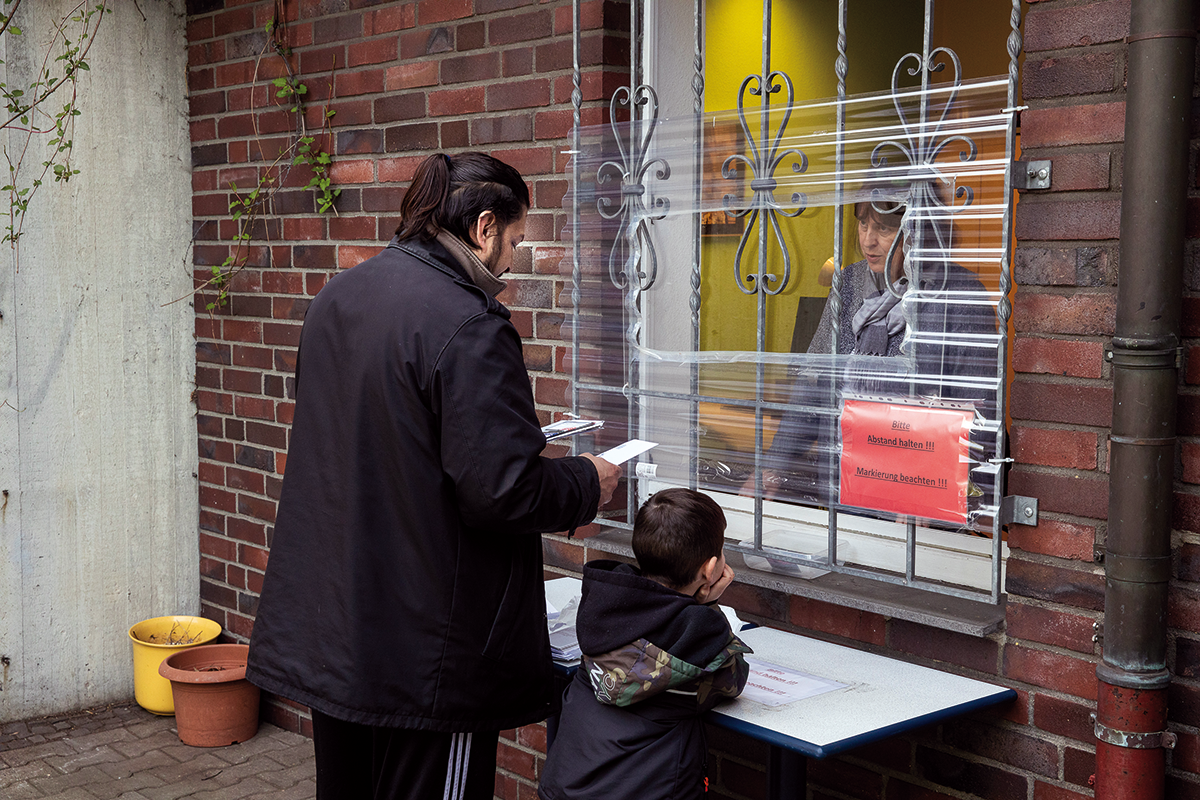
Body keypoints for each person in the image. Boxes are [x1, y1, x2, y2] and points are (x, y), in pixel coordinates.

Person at [245, 151, 622, 800]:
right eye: (515, 239)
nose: (513, 258)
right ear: (483, 227)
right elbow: (504, 490)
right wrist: (589, 479)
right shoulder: (470, 324)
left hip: (338, 629)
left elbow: (381, 442)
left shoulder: (337, 299)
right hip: (428, 652)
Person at [742, 186, 998, 504]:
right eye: (863, 224)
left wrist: (934, 490)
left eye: (884, 227)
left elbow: (976, 413)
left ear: (920, 229)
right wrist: (772, 467)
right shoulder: (848, 284)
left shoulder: (959, 297)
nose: (868, 240)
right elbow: (813, 389)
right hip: (839, 487)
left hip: (914, 498)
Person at [538, 488, 751, 800]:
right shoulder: (700, 641)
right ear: (709, 570)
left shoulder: (603, 606)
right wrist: (708, 605)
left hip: (565, 788)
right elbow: (734, 678)